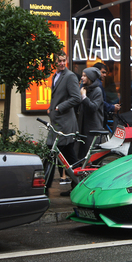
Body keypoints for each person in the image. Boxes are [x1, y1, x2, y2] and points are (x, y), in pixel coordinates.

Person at [46, 52, 81, 192]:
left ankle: (78, 183)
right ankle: (77, 184)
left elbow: (76, 98)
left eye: (63, 61)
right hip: (57, 123)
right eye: (59, 61)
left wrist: (59, 107)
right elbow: (57, 96)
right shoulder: (56, 76)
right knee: (57, 153)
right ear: (55, 62)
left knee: (66, 156)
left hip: (65, 124)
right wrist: (50, 108)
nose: (61, 63)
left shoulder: (70, 76)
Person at [77, 67, 104, 160]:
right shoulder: (84, 89)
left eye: (84, 76)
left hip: (93, 128)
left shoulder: (97, 91)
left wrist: (84, 97)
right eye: (82, 75)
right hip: (83, 126)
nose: (82, 78)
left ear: (90, 77)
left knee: (91, 155)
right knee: (82, 153)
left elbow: (94, 107)